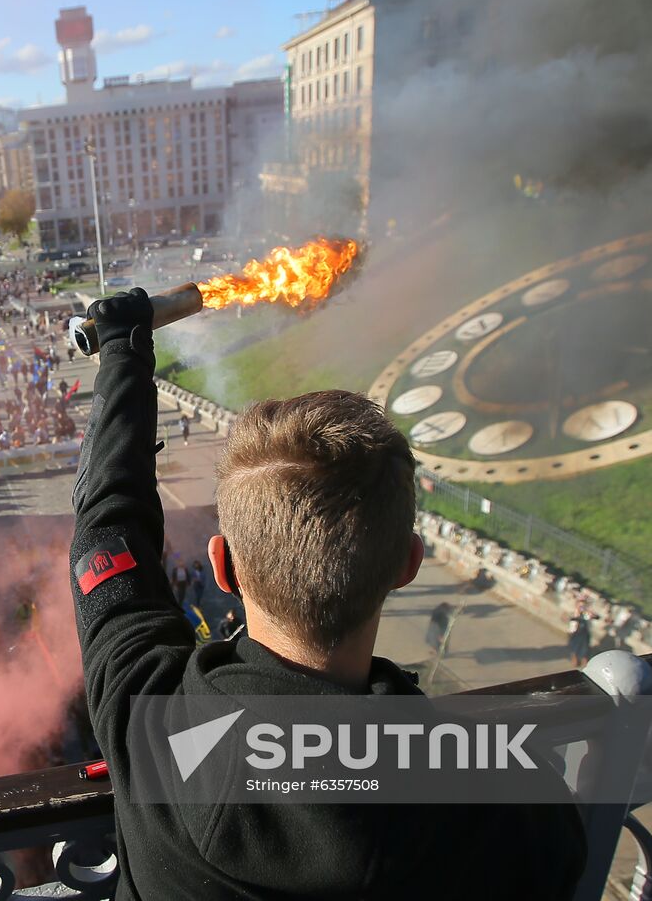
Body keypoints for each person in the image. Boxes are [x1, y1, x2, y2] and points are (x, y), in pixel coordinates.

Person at [68, 288, 585, 901]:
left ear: (223, 566)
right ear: (407, 565)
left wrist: (124, 353)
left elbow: (104, 533)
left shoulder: (146, 718)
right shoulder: (496, 799)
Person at [567, 603, 593, 668]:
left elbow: (595, 617)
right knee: (574, 651)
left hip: (583, 635)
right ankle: (576, 664)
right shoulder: (575, 613)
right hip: (575, 633)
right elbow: (571, 620)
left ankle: (586, 666)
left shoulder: (587, 615)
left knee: (584, 652)